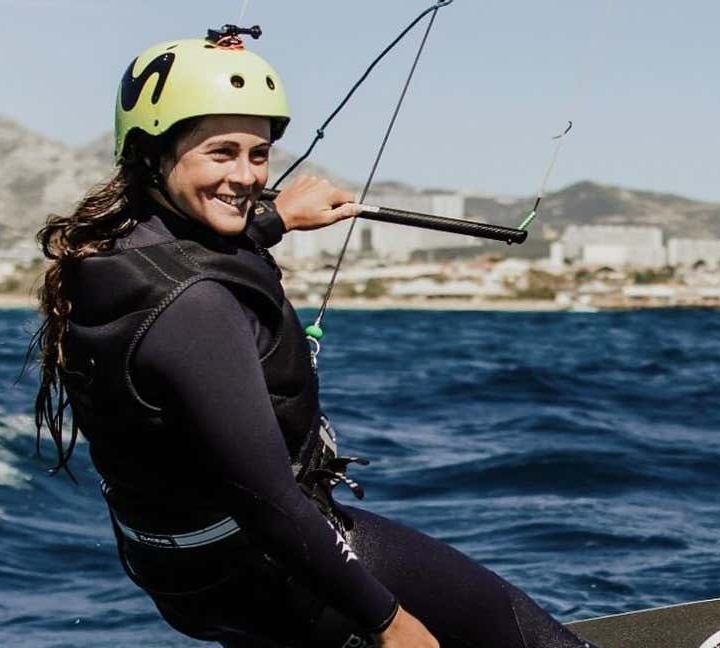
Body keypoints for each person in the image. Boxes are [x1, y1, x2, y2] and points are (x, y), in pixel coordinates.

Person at [30, 31, 601, 648]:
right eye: (221, 153)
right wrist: (391, 623)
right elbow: (270, 502)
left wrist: (276, 222)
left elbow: (191, 261)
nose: (247, 176)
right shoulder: (196, 312)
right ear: (152, 154)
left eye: (259, 154)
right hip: (267, 566)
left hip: (180, 573)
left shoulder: (112, 255)